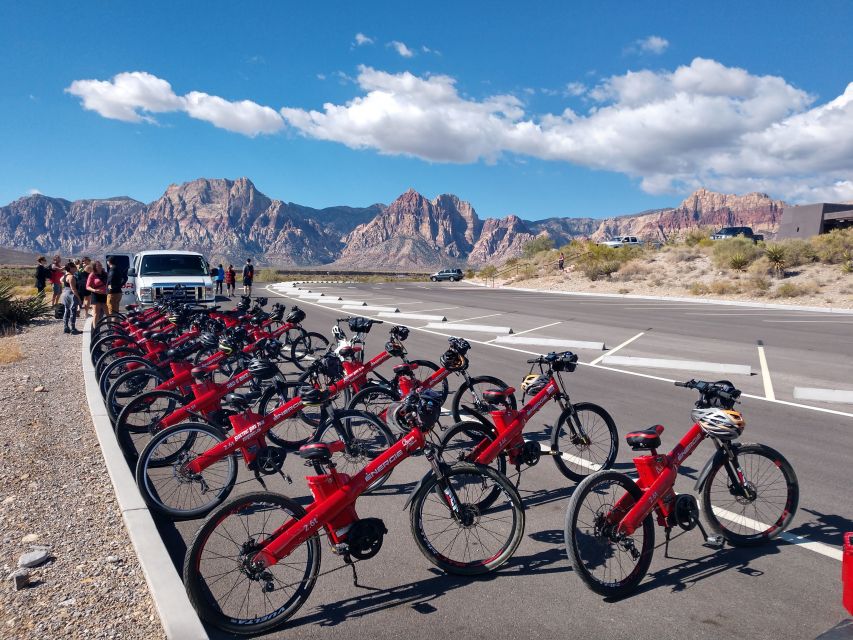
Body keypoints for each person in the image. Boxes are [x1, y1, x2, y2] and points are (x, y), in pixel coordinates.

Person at [60, 261, 83, 334]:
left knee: (67, 310)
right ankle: (73, 329)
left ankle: (66, 327)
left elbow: (60, 281)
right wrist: (79, 298)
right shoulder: (71, 277)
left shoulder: (64, 276)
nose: (76, 269)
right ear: (70, 268)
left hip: (65, 293)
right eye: (74, 267)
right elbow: (73, 289)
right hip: (71, 294)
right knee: (73, 311)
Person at [87, 260, 108, 326]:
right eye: (98, 265)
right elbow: (87, 287)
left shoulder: (105, 274)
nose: (100, 266)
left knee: (108, 313)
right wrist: (95, 290)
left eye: (100, 265)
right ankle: (96, 331)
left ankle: (110, 328)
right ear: (94, 267)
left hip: (105, 295)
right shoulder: (92, 274)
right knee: (96, 313)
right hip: (96, 295)